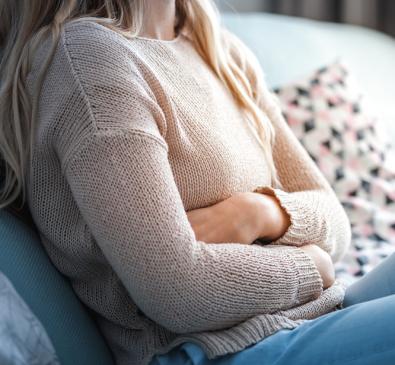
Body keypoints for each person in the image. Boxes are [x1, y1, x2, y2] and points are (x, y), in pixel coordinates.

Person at [0, 1, 393, 364]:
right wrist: (310, 264)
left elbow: (334, 222)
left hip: (313, 313)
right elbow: (181, 294)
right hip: (222, 350)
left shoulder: (217, 48)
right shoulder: (89, 60)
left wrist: (255, 213)